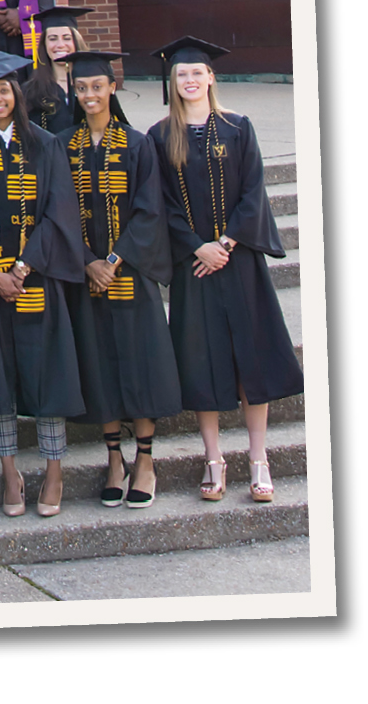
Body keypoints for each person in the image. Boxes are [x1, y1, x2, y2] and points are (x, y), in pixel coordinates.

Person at [147, 37, 302, 504]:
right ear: (171, 82)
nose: (190, 80)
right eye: (181, 75)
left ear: (211, 77)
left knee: (252, 358)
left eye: (197, 73)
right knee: (201, 361)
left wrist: (227, 242)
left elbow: (254, 191)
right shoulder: (160, 135)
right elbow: (163, 204)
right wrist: (199, 248)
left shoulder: (239, 127)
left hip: (240, 263)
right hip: (196, 267)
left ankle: (259, 459)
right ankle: (214, 458)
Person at [0, 51, 87, 519]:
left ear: (17, 94)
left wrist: (23, 269)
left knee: (49, 375)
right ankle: (9, 471)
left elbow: (59, 213)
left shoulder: (44, 144)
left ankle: (53, 470)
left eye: (4, 90)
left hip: (37, 281)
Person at [56, 50, 181, 508]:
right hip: (84, 275)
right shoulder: (61, 146)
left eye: (97, 86)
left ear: (112, 88)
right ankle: (114, 459)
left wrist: (112, 259)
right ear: (74, 91)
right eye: (81, 87)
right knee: (99, 363)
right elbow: (58, 214)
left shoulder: (137, 143)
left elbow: (150, 211)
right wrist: (87, 261)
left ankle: (145, 461)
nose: (89, 94)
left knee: (142, 361)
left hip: (131, 272)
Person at [21, 6, 94, 134]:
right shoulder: (31, 91)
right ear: (44, 44)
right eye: (52, 39)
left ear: (76, 41)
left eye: (66, 38)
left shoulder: (94, 84)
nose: (60, 45)